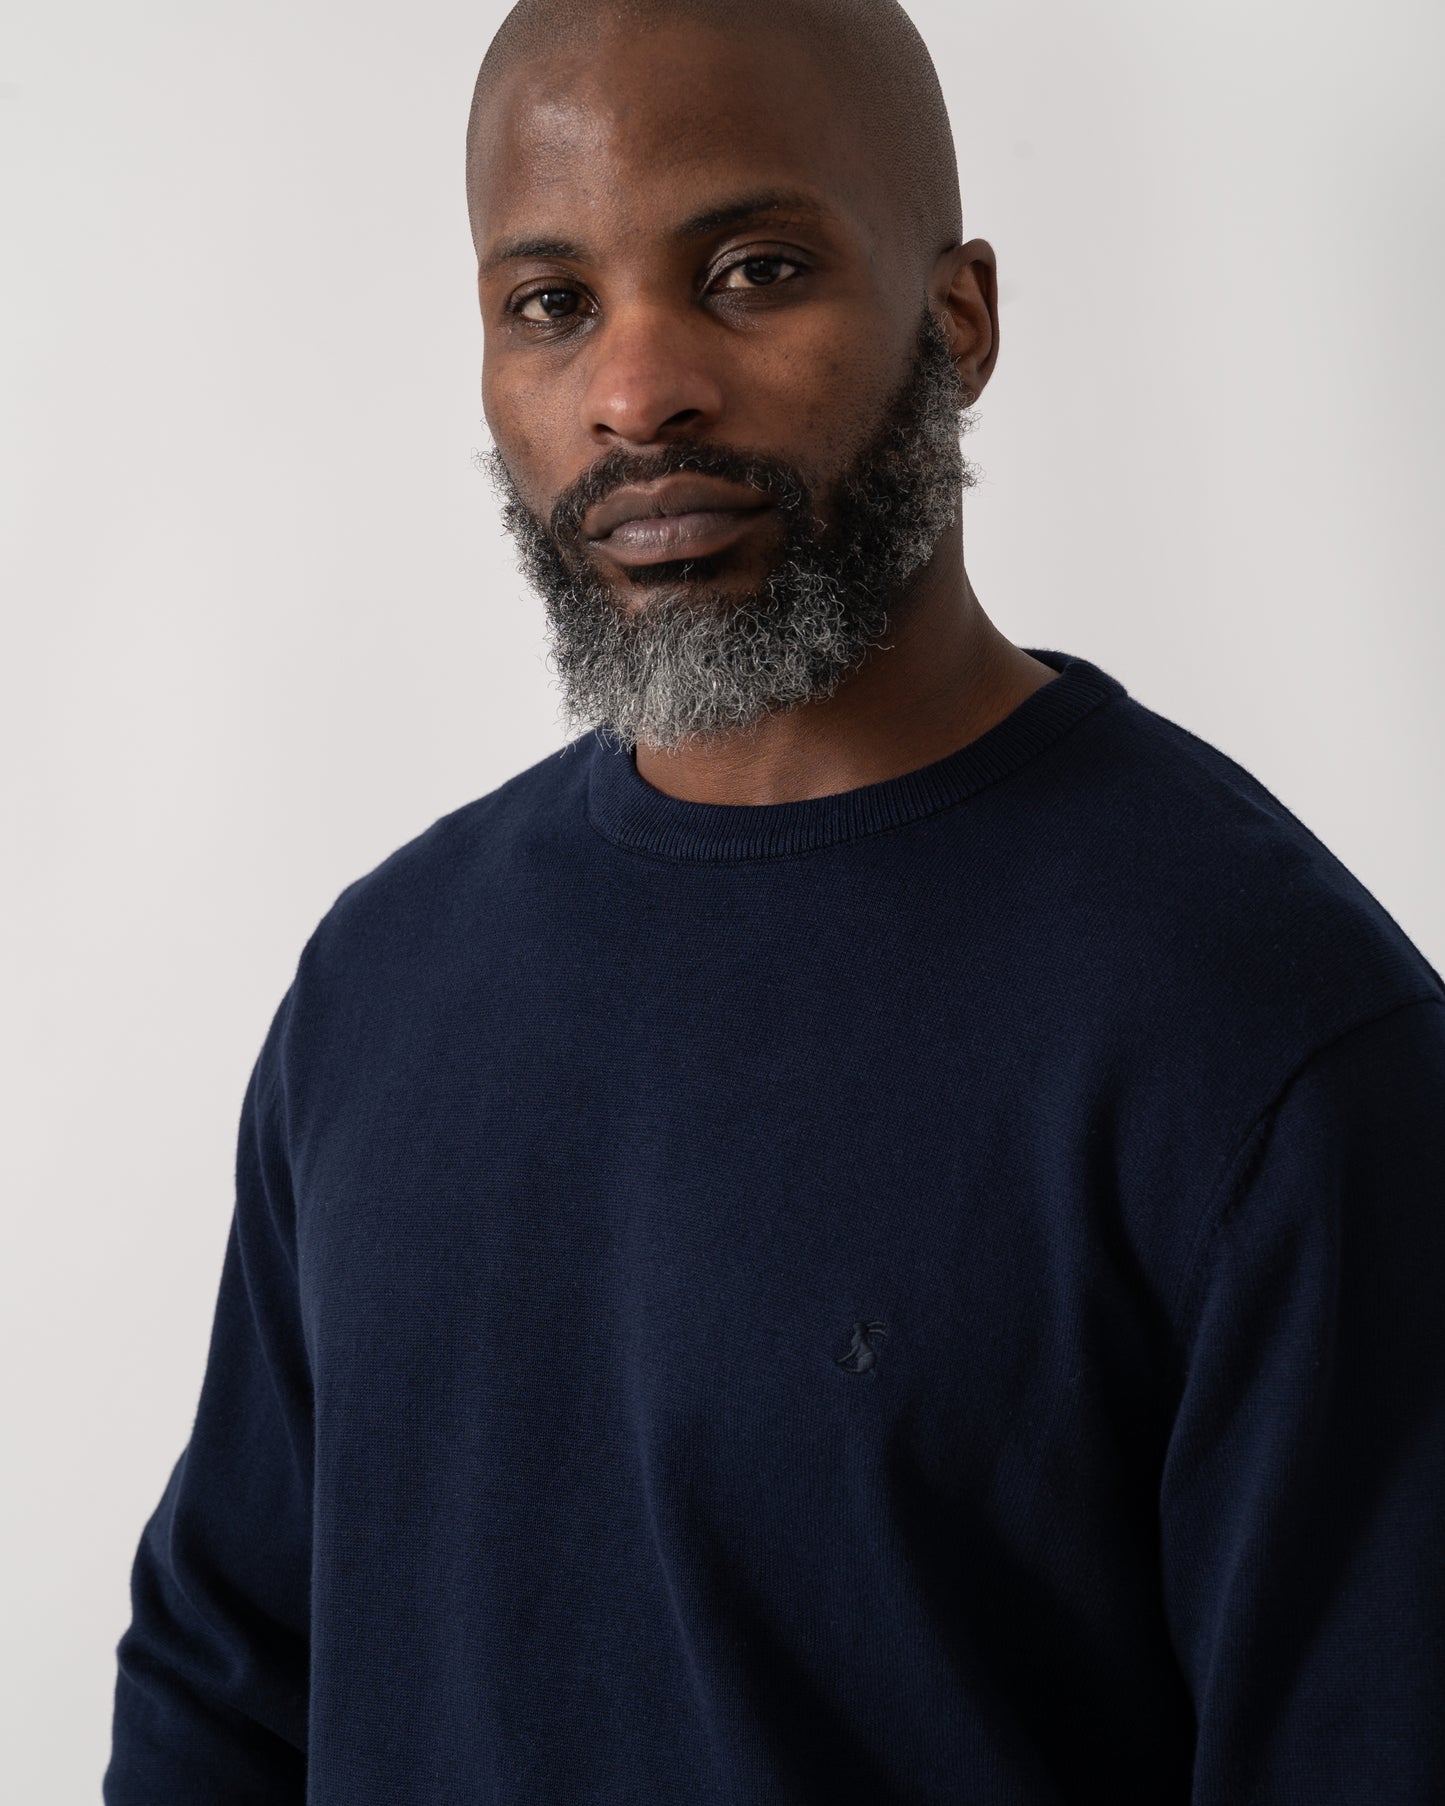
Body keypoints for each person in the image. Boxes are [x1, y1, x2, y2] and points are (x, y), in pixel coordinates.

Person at [104, 0, 1445, 1800]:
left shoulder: (1267, 1041)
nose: (635, 389)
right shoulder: (384, 977)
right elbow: (225, 1684)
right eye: (551, 302)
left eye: (749, 270)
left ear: (953, 320)